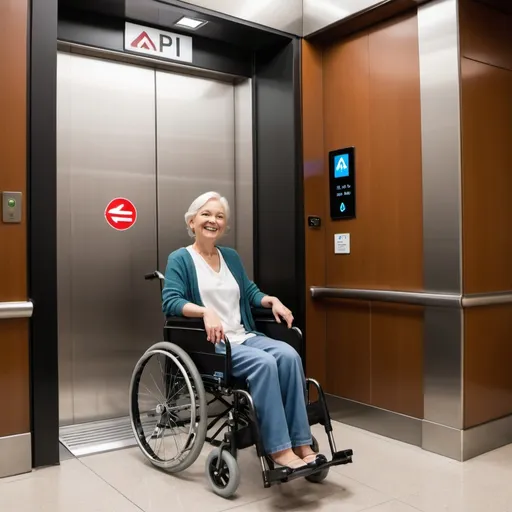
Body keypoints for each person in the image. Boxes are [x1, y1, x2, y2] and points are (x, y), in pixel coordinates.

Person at [162, 191, 325, 471]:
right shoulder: (180, 259)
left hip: (243, 336)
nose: (213, 220)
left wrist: (269, 299)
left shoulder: (231, 257)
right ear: (192, 222)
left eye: (219, 216)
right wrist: (205, 311)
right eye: (206, 214)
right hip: (212, 345)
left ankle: (300, 442)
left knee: (288, 356)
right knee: (263, 364)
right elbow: (171, 301)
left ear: (224, 225)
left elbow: (248, 291)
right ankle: (279, 449)